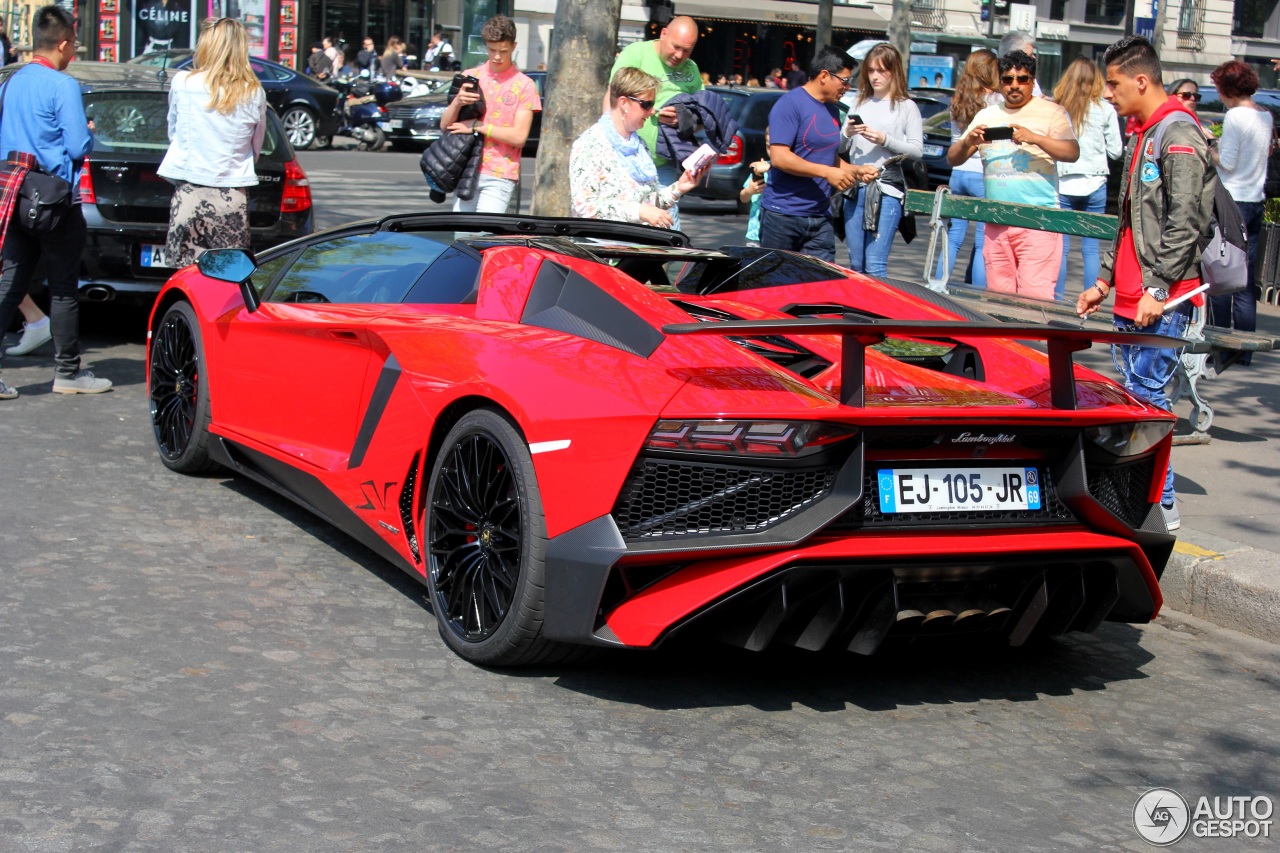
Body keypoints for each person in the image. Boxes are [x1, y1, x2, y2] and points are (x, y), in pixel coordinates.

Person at [1076, 35, 1212, 532]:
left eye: (1113, 84)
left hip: (1162, 298)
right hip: (1132, 296)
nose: (1107, 93)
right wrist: (1105, 278)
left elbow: (1186, 222)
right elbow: (1129, 216)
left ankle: (1157, 506)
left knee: (1147, 403)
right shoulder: (1141, 131)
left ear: (1140, 79)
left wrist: (1157, 290)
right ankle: (1143, 502)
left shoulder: (1178, 131)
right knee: (1133, 401)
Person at [0, 5, 108, 399]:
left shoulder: (10, 82)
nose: (74, 51)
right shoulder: (63, 85)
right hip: (55, 200)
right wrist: (88, 131)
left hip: (14, 192)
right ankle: (67, 373)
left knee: (10, 283)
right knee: (62, 287)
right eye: (74, 43)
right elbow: (78, 144)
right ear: (62, 43)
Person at [947, 50, 1078, 299]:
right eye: (1008, 79)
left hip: (1039, 221)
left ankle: (1030, 340)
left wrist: (1036, 138)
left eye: (1022, 79)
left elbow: (1071, 152)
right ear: (999, 81)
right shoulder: (986, 115)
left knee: (1034, 301)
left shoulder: (1052, 112)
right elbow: (953, 158)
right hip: (996, 221)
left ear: (1032, 80)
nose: (1014, 85)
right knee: (998, 302)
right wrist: (967, 143)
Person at [157, 17, 266, 271]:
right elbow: (255, 148)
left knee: (185, 277)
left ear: (207, 45)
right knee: (227, 279)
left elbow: (174, 133)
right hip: (231, 197)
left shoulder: (183, 83)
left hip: (190, 193)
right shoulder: (253, 92)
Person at [758, 46, 872, 263]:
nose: (848, 87)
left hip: (820, 217)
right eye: (845, 80)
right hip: (783, 216)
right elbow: (780, 157)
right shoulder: (789, 105)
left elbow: (827, 156)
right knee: (776, 290)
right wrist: (826, 173)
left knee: (821, 289)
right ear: (824, 75)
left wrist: (856, 170)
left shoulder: (832, 109)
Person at [569, 68, 705, 225]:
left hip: (636, 243)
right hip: (600, 245)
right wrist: (639, 211)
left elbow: (647, 206)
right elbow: (584, 206)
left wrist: (680, 187)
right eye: (646, 104)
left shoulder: (639, 145)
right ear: (624, 103)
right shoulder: (589, 144)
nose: (652, 111)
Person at [439, 14, 540, 214]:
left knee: (485, 236)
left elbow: (519, 137)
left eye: (503, 51)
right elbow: (445, 125)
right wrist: (457, 102)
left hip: (500, 173)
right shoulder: (471, 76)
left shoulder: (524, 85)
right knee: (462, 236)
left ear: (514, 46)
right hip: (466, 167)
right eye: (492, 50)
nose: (497, 57)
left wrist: (477, 126)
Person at [609, 16, 703, 229]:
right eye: (675, 47)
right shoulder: (636, 54)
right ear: (663, 34)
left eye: (686, 50)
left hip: (662, 165)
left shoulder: (691, 69)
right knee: (625, 227)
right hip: (627, 160)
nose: (679, 55)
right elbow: (612, 97)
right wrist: (610, 141)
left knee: (668, 234)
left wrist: (684, 118)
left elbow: (703, 115)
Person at [838, 42, 922, 277]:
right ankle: (855, 310)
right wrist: (847, 133)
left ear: (894, 72)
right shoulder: (859, 102)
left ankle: (877, 314)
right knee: (855, 264)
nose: (875, 77)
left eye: (882, 71)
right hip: (855, 188)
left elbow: (917, 151)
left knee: (875, 265)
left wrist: (885, 139)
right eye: (871, 70)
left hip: (887, 190)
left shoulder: (907, 107)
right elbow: (840, 146)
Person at [1207, 59, 1272, 363]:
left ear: (1228, 89)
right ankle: (1243, 350)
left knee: (1221, 275)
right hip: (1255, 200)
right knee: (1245, 280)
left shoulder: (1235, 117)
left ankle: (1219, 342)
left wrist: (1209, 146)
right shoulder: (1265, 116)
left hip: (1231, 202)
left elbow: (1228, 162)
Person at [1053, 57, 1122, 301]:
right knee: (1091, 248)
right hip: (1095, 182)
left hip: (1063, 182)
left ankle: (1057, 300)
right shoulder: (1105, 110)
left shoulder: (1058, 107)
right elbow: (1116, 151)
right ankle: (1091, 301)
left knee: (1060, 248)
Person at [936, 49, 998, 289]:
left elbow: (955, 141)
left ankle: (939, 287)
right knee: (985, 242)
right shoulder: (996, 101)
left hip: (958, 173)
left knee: (953, 238)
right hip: (983, 174)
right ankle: (982, 296)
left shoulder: (958, 100)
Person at [739, 131, 770, 246]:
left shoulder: (784, 170)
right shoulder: (759, 168)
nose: (771, 150)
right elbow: (743, 198)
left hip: (773, 232)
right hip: (754, 233)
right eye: (768, 146)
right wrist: (750, 190)